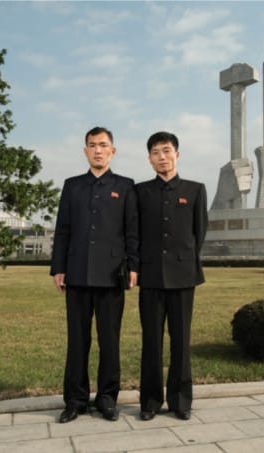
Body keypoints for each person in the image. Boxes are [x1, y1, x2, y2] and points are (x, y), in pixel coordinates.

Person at [50, 126, 138, 423]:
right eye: (92, 145)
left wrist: (134, 267)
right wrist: (58, 267)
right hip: (76, 274)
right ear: (85, 151)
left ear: (112, 150)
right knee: (77, 340)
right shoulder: (72, 185)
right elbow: (63, 230)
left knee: (109, 340)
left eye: (103, 145)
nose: (97, 150)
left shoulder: (126, 186)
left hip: (112, 275)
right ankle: (75, 400)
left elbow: (132, 233)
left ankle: (107, 398)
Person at [134, 131, 208, 422]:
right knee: (151, 341)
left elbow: (198, 233)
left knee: (181, 341)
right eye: (155, 152)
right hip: (150, 277)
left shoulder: (194, 190)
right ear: (149, 158)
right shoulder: (140, 192)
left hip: (183, 276)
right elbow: (135, 233)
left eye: (166, 151)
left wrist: (183, 261)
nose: (161, 157)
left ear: (177, 154)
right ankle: (150, 401)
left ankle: (181, 401)